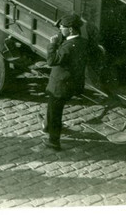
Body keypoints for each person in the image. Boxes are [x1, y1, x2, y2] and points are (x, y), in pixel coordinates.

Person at [43, 14, 89, 150]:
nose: (60, 30)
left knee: (54, 112)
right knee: (54, 110)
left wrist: (52, 44)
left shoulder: (68, 47)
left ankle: (53, 141)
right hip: (71, 83)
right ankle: (48, 126)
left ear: (70, 30)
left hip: (59, 86)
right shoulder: (82, 42)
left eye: (62, 28)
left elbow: (51, 61)